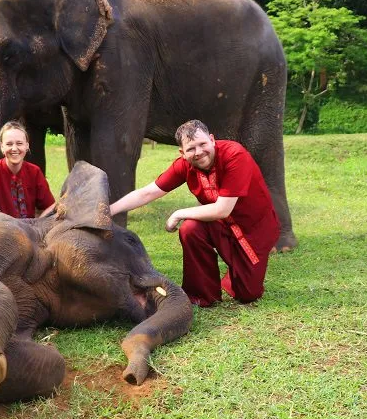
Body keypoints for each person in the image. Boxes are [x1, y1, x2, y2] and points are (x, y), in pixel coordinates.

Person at [109, 119, 280, 307]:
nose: (199, 152)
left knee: (248, 294)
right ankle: (201, 295)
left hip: (254, 229)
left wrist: (179, 213)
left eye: (203, 144)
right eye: (191, 149)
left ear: (212, 140)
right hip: (221, 226)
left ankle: (237, 274)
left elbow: (222, 209)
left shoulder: (235, 155)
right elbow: (147, 193)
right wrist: (108, 210)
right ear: (182, 153)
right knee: (190, 229)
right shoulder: (184, 165)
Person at [0, 121, 55, 218]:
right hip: (0, 229)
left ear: (27, 146)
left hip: (30, 230)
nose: (14, 148)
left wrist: (38, 224)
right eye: (9, 144)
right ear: (2, 147)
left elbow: (51, 206)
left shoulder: (34, 171)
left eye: (19, 143)